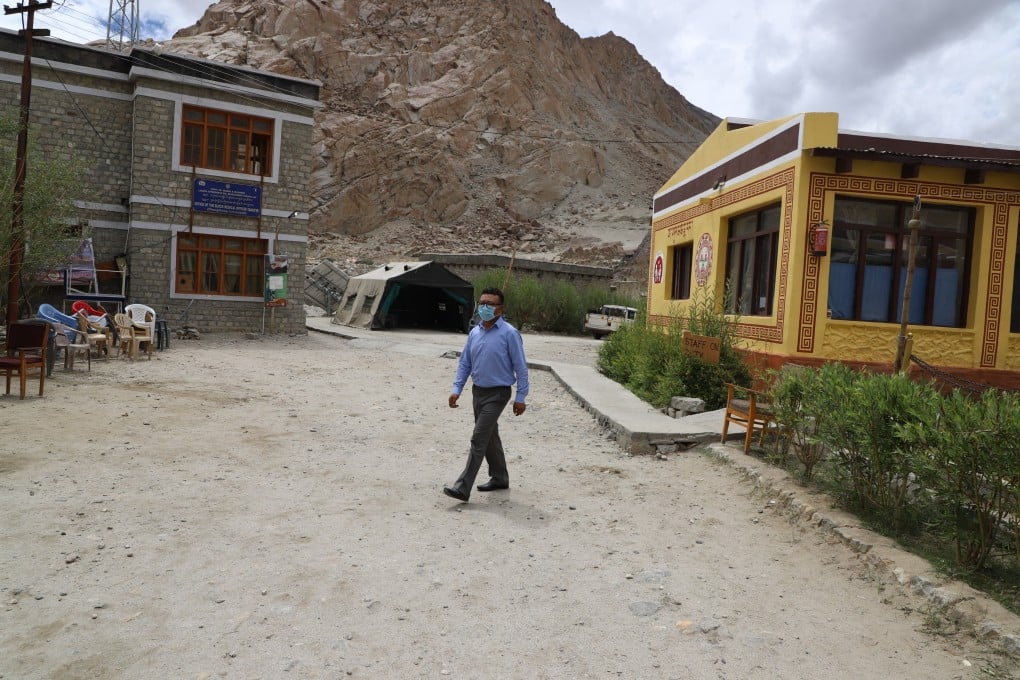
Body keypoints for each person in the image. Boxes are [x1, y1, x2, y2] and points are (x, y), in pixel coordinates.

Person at [443, 287, 529, 503]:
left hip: (498, 394)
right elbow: (465, 363)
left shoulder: (509, 334)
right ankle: (500, 477)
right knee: (490, 436)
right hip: (478, 391)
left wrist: (520, 397)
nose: (485, 307)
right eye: (482, 303)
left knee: (479, 438)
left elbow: (521, 367)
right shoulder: (474, 333)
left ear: (500, 308)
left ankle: (462, 487)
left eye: (490, 304)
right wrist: (456, 389)